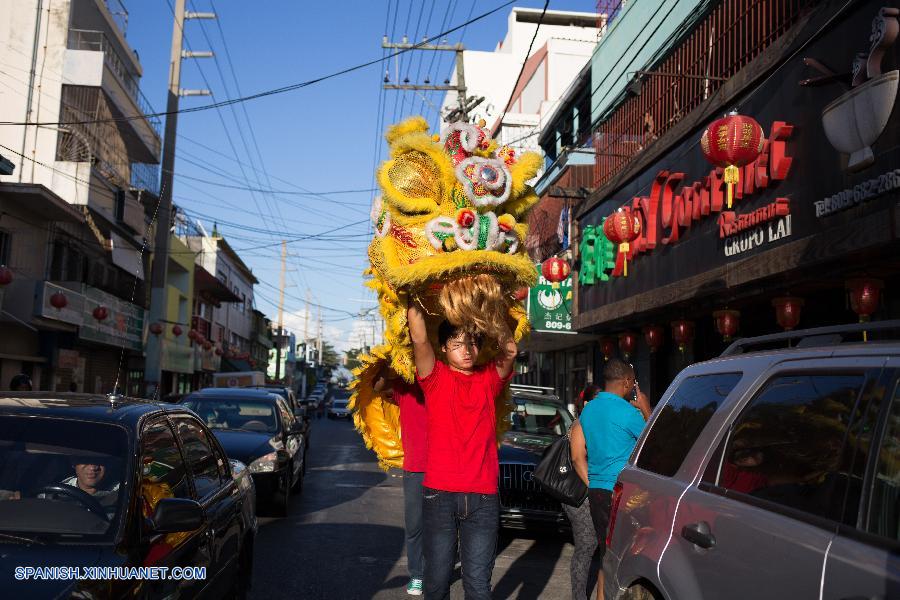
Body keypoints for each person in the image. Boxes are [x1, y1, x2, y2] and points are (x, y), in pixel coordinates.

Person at [407, 300, 517, 600]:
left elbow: (510, 351)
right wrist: (412, 292)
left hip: (483, 497)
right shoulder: (434, 378)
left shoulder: (488, 380)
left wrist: (494, 311)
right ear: (443, 348)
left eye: (472, 342)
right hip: (439, 495)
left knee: (478, 585)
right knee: (437, 582)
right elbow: (419, 338)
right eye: (457, 343)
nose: (466, 350)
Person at [571, 360, 652, 599]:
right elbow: (655, 445)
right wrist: (647, 409)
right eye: (633, 382)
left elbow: (578, 456)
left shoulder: (590, 409)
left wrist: (595, 482)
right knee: (624, 557)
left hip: (597, 491)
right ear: (627, 382)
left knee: (606, 556)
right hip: (623, 493)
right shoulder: (629, 413)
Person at [374, 368, 428, 596]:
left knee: (442, 526)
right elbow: (378, 387)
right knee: (415, 525)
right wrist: (391, 367)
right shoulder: (406, 389)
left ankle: (437, 570)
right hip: (416, 470)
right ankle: (417, 575)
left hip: (447, 469)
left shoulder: (445, 386)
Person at [562, 382, 601, 600]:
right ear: (586, 404)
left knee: (594, 546)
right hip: (580, 494)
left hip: (590, 492)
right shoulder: (580, 424)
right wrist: (596, 489)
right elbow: (578, 460)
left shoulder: (596, 424)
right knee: (586, 547)